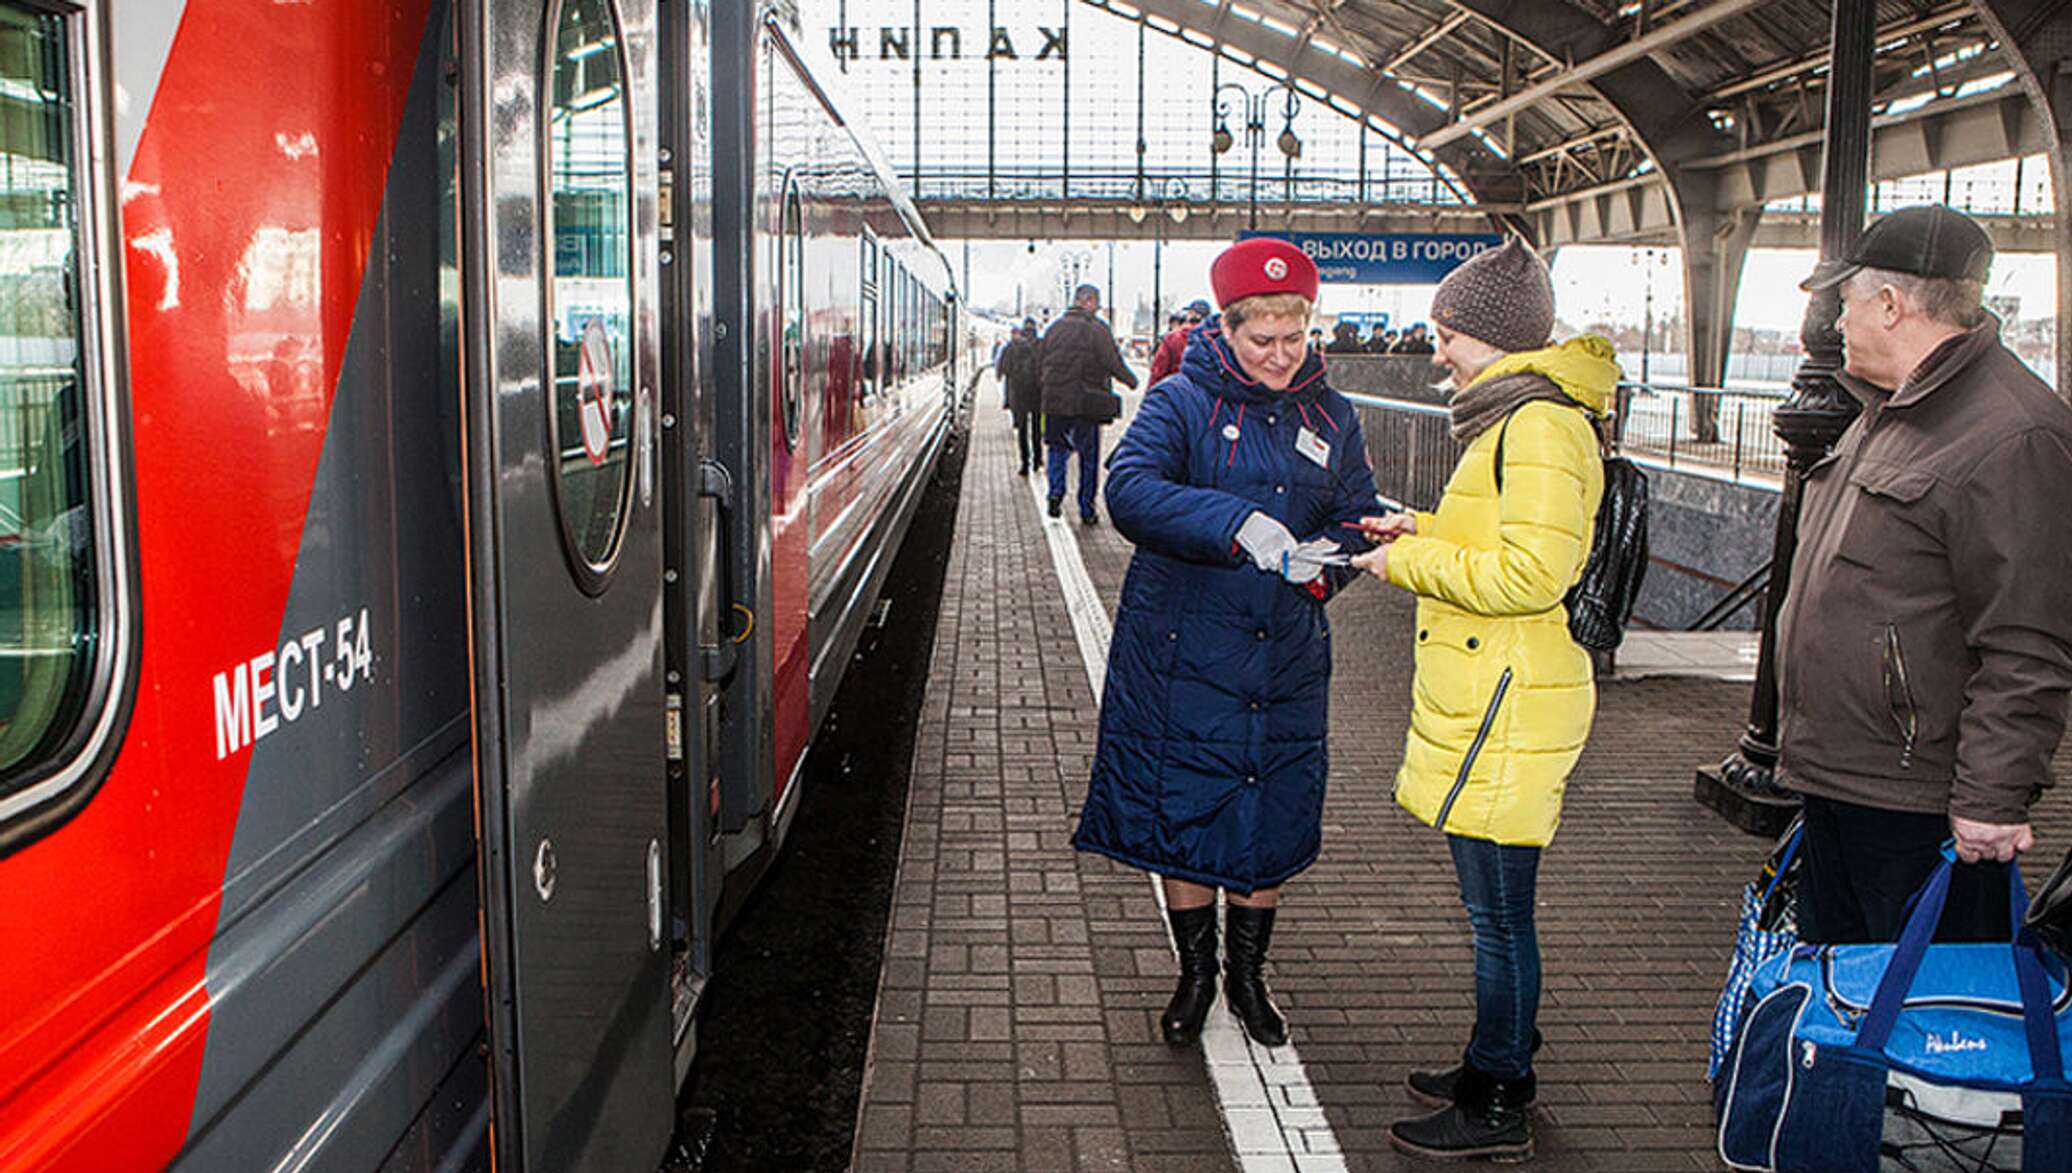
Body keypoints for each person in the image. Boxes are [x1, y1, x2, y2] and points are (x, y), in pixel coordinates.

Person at [1348, 238, 1618, 1163]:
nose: (1437, 354)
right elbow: (1502, 536)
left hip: (1510, 699)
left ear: (1492, 338)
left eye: (1448, 334)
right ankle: (1491, 1058)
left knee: (1499, 918)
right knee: (1497, 912)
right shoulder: (1516, 419)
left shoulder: (1536, 426)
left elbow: (1536, 571)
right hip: (1499, 687)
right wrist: (1421, 525)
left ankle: (1498, 1092)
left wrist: (1403, 562)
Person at [1073, 238, 1379, 1052]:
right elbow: (1131, 490)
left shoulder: (1332, 415)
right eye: (1262, 340)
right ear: (1228, 329)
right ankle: (1197, 972)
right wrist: (1235, 522)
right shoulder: (1179, 402)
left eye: (1296, 338)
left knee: (1266, 809)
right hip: (1185, 648)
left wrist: (1323, 569)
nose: (1282, 356)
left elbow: (1360, 514)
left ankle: (1249, 976)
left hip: (1282, 650)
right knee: (1188, 806)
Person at [1776, 205, 2072, 946]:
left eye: (1843, 303)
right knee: (1845, 1004)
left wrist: (1993, 798)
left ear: (1889, 303)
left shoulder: (2013, 434)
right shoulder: (1887, 411)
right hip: (1844, 779)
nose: (1834, 323)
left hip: (1920, 803)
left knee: (1928, 1025)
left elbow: (2028, 641)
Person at [1037, 284, 1139, 524]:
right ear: (1089, 301)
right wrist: (1131, 381)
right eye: (1096, 303)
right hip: (1086, 403)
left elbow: (1039, 362)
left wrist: (1044, 390)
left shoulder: (1054, 328)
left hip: (1055, 402)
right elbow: (1112, 361)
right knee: (1088, 457)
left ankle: (1055, 493)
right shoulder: (1097, 329)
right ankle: (1086, 508)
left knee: (1057, 448)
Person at [997, 321, 1044, 476]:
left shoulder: (1012, 346)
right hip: (1037, 394)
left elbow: (1004, 368)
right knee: (1036, 428)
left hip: (1019, 393)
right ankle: (1038, 459)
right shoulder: (1041, 345)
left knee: (1022, 430)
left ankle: (1025, 463)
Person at [1150, 298, 1211, 386]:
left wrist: (1150, 394)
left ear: (1191, 314)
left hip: (1175, 391)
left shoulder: (1172, 338)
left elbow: (1158, 372)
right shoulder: (1216, 339)